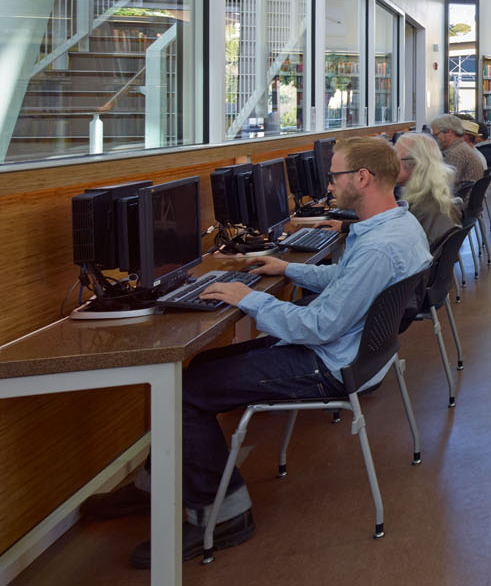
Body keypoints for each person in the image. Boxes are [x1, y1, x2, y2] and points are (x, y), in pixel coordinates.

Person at [87, 137, 431, 567]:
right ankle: (161, 484)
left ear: (362, 178)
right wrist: (287, 268)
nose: (329, 187)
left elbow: (319, 325)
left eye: (335, 176)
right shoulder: (395, 225)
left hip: (328, 362)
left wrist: (248, 299)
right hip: (353, 351)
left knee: (188, 389)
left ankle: (224, 514)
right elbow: (346, 281)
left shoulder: (379, 247)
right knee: (204, 364)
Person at [396, 130, 462, 244]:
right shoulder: (435, 199)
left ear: (414, 164)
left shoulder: (419, 209)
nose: (389, 164)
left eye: (394, 158)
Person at [431, 113, 487, 186]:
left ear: (449, 133)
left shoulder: (455, 154)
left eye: (436, 135)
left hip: (458, 196)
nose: (435, 139)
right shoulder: (461, 148)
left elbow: (446, 185)